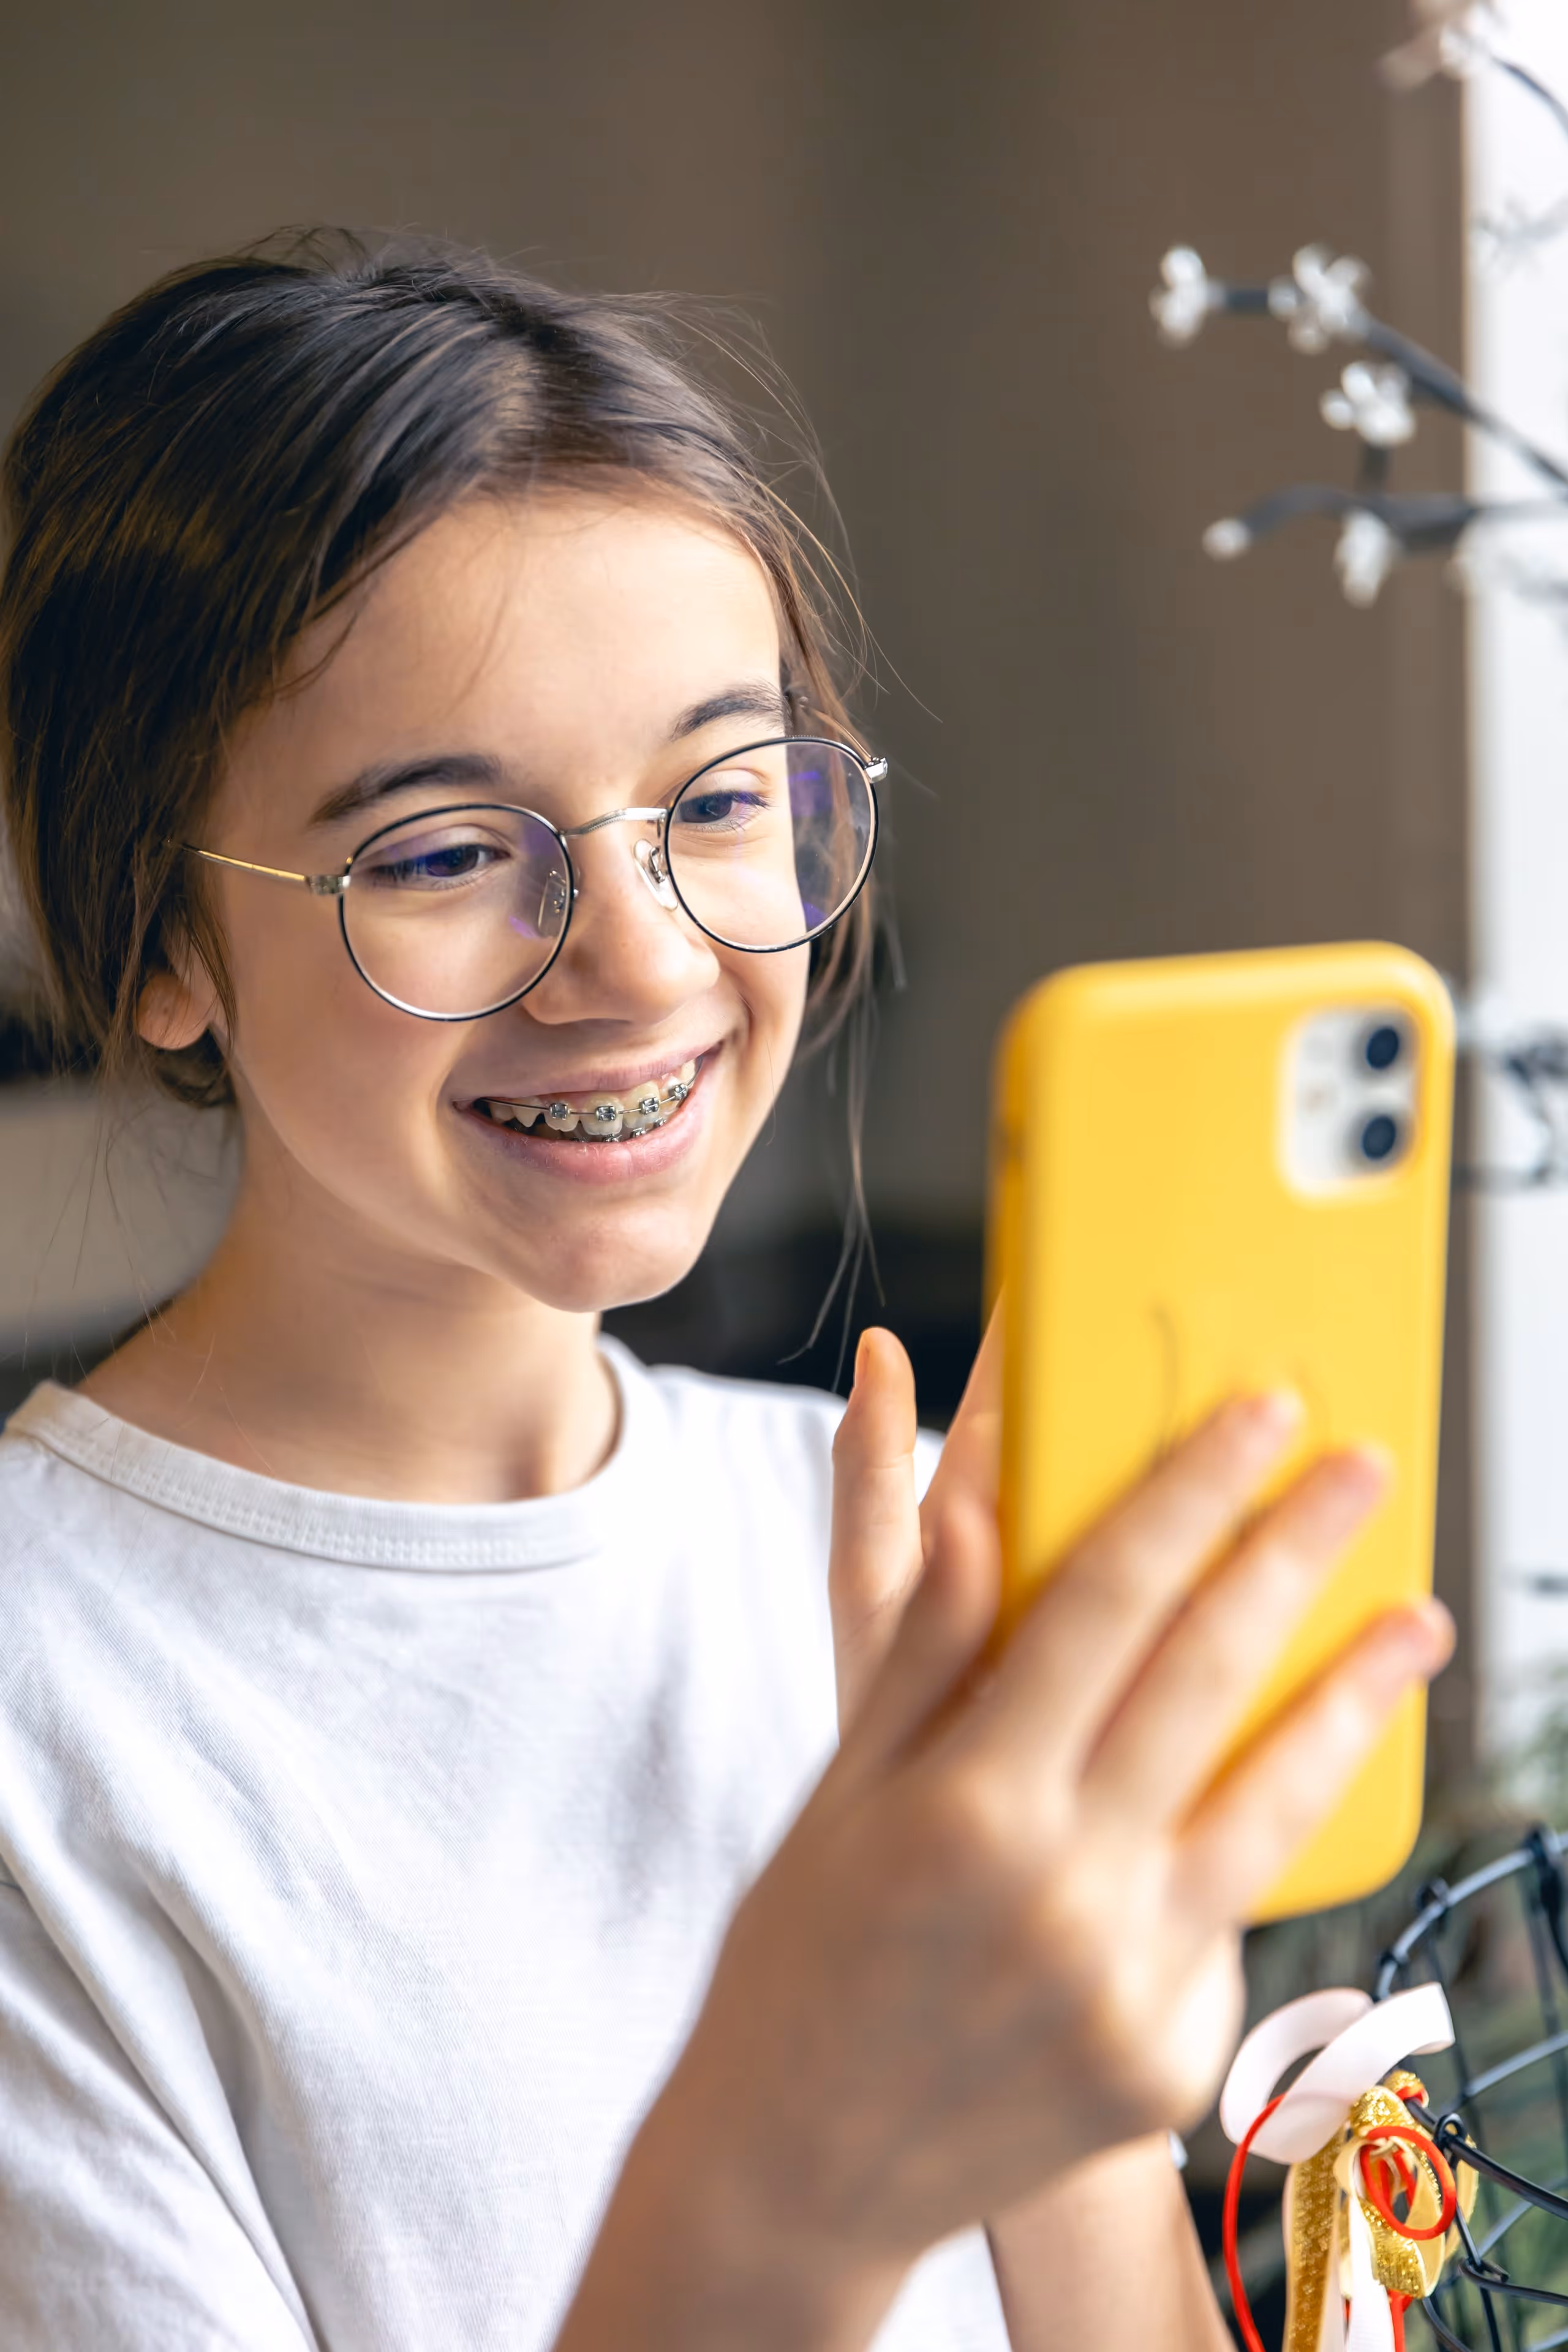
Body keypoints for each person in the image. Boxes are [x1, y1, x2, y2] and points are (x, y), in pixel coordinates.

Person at [0, 233, 1452, 2352]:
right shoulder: (55, 1730)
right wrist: (799, 2150)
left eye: (723, 798)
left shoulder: (872, 1544)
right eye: (437, 850)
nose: (649, 962)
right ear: (157, 944)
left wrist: (1033, 2066)